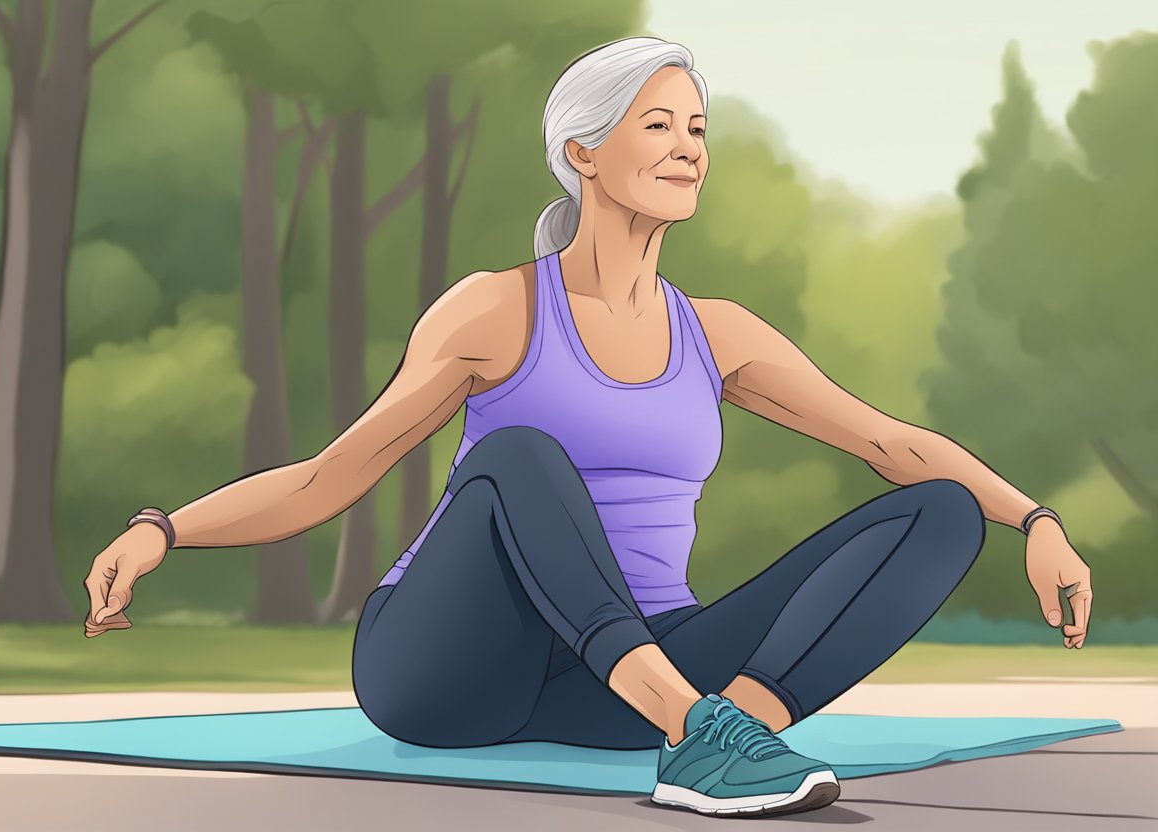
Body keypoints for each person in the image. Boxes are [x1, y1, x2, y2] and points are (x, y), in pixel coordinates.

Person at [83, 37, 1094, 818]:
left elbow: (888, 443)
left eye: (698, 129)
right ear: (582, 151)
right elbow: (328, 475)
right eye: (658, 126)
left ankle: (723, 735)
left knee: (943, 511)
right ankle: (699, 730)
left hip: (623, 681)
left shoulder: (719, 334)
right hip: (449, 668)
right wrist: (160, 529)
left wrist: (1033, 519)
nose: (688, 148)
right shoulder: (496, 310)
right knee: (521, 456)